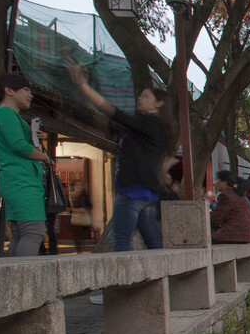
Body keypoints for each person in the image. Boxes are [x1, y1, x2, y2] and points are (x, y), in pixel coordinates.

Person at [67, 60, 172, 251]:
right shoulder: (148, 127)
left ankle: (129, 280)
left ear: (159, 103)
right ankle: (164, 277)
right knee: (152, 240)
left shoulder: (150, 124)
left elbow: (111, 111)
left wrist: (82, 85)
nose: (139, 98)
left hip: (133, 191)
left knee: (121, 240)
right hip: (143, 192)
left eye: (145, 96)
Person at [0, 73, 51, 256]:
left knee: (20, 233)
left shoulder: (5, 115)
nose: (30, 95)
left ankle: (14, 280)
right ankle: (26, 281)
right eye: (26, 90)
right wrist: (44, 158)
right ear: (9, 91)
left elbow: (18, 143)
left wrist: (33, 139)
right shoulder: (4, 113)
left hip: (16, 180)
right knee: (33, 232)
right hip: (21, 181)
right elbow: (18, 146)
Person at [210, 170, 250, 243]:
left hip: (232, 235)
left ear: (224, 182)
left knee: (201, 240)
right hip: (246, 236)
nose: (215, 183)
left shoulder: (226, 195)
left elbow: (215, 218)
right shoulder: (239, 195)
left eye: (217, 180)